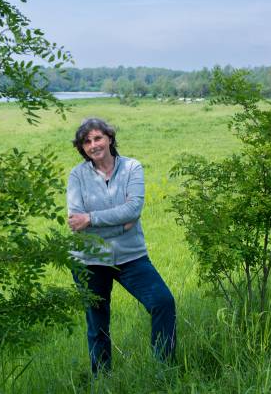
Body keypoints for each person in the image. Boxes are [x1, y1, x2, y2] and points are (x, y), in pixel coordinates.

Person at [67, 117, 176, 375]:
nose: (94, 145)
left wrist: (92, 219)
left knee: (163, 302)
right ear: (82, 148)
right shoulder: (77, 175)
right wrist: (122, 224)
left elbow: (133, 208)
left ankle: (164, 370)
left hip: (131, 257)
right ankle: (102, 380)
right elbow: (75, 220)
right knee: (98, 324)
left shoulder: (131, 168)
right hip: (89, 260)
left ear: (110, 139)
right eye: (87, 141)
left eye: (98, 138)